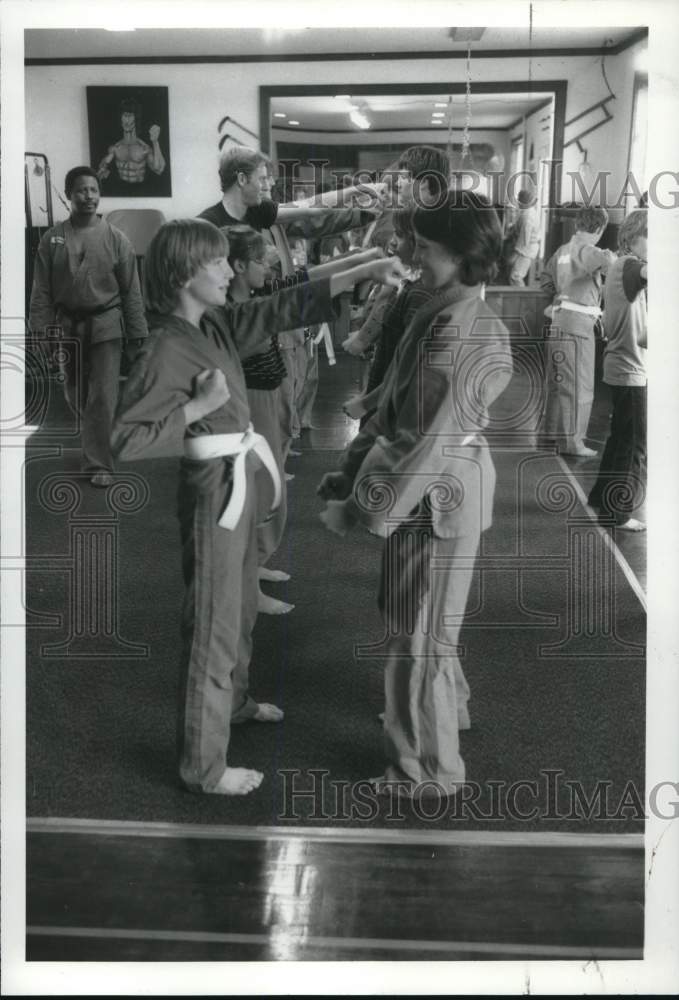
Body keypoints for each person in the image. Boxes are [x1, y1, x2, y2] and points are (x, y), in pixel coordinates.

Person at [112, 218, 405, 796]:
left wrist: (367, 269)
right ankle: (203, 767)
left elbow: (284, 306)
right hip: (213, 495)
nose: (230, 270)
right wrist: (195, 411)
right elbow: (123, 440)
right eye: (217, 263)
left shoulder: (216, 323)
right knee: (213, 627)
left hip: (238, 479)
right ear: (182, 275)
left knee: (241, 606)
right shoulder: (165, 346)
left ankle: (235, 701)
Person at [317, 191, 512, 799]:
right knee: (425, 624)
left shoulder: (456, 328)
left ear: (459, 253)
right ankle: (446, 712)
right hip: (437, 493)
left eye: (423, 246)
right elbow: (391, 403)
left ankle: (426, 772)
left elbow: (422, 443)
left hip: (433, 499)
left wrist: (356, 507)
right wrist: (350, 472)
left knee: (418, 635)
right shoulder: (444, 309)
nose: (410, 254)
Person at [29, 165, 148, 486]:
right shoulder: (51, 239)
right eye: (82, 190)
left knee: (103, 396)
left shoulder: (116, 238)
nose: (89, 196)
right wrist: (39, 330)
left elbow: (131, 292)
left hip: (106, 324)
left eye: (94, 190)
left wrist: (137, 334)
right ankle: (98, 435)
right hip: (68, 326)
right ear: (69, 195)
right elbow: (41, 290)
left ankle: (98, 464)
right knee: (76, 394)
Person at [225, 224, 294, 615]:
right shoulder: (235, 313)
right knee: (257, 497)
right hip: (248, 404)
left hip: (266, 396)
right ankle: (245, 590)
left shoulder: (253, 297)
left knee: (270, 494)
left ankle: (255, 566)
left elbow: (306, 282)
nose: (269, 268)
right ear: (238, 265)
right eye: (261, 261)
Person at [342, 207, 432, 425]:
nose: (392, 242)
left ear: (419, 242)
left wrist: (367, 402)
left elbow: (408, 367)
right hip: (384, 397)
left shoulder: (418, 292)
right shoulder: (408, 283)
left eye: (399, 235)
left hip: (393, 410)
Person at [539, 206, 616, 457]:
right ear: (599, 229)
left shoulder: (562, 251)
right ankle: (575, 444)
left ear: (576, 226)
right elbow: (610, 265)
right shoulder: (591, 251)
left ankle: (549, 432)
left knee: (556, 382)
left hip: (559, 321)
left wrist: (559, 298)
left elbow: (545, 280)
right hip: (578, 327)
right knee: (580, 387)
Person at [587, 209, 648, 531]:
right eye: (650, 238)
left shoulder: (620, 266)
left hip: (623, 361)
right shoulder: (631, 266)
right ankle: (618, 512)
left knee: (621, 438)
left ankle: (601, 497)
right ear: (632, 237)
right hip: (629, 368)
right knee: (635, 443)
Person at [97, 99, 165, 186]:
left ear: (136, 118)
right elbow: (103, 166)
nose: (127, 120)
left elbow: (159, 169)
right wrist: (103, 169)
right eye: (124, 115)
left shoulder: (143, 147)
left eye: (130, 116)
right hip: (121, 190)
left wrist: (155, 142)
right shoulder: (116, 147)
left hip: (140, 191)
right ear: (121, 118)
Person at [506, 187, 541, 286]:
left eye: (519, 201)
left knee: (515, 276)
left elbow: (524, 239)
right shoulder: (529, 212)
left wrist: (515, 255)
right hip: (527, 247)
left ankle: (520, 298)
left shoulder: (528, 216)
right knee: (514, 274)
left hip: (526, 250)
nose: (518, 203)